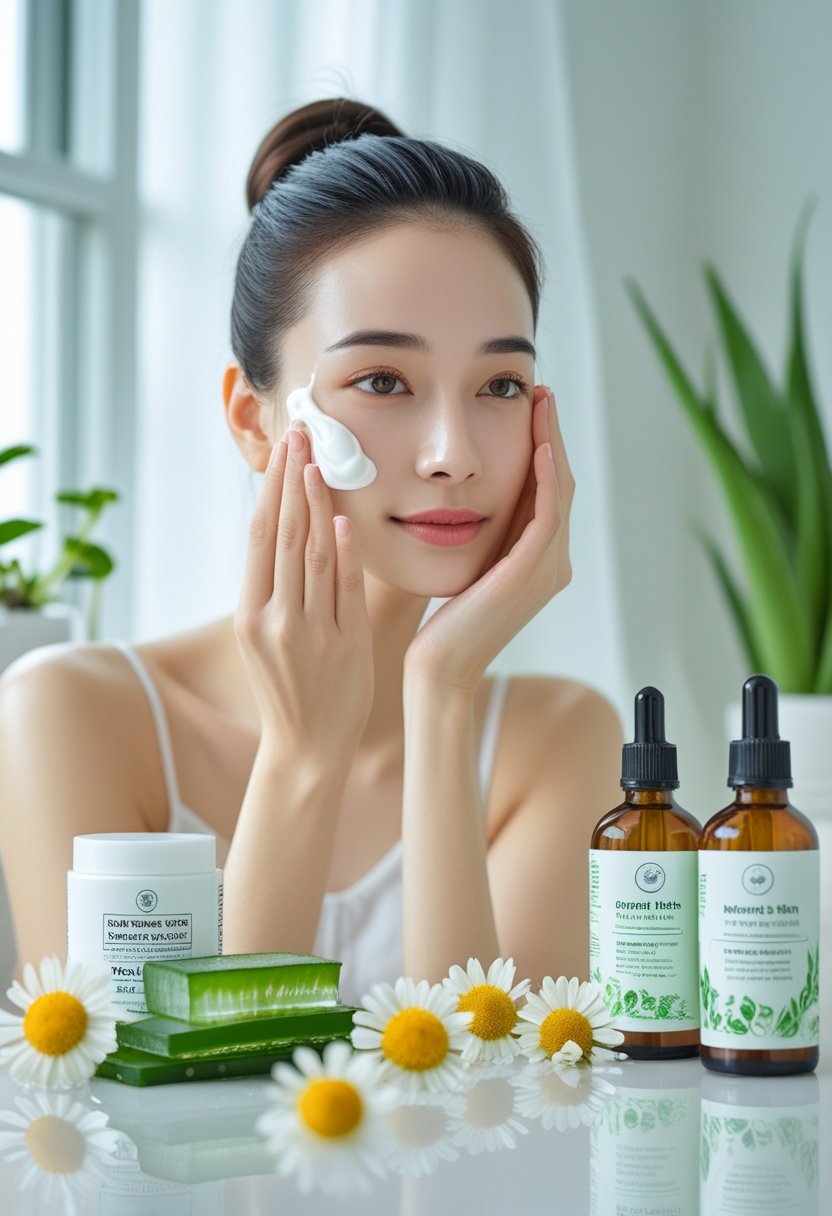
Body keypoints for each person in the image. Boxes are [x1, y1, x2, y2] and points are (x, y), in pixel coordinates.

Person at [0, 98, 623, 1003]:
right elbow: (149, 1127)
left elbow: (496, 1119)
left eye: (499, 383)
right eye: (382, 379)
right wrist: (302, 755)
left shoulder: (558, 742)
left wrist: (441, 698)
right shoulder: (69, 717)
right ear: (254, 421)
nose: (453, 452)